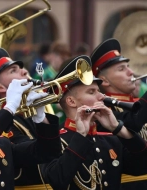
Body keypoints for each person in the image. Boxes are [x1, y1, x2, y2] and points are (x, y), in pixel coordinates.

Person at [44, 55, 147, 189]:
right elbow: (56, 180)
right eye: (92, 92)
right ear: (71, 101)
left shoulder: (111, 140)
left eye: (98, 91)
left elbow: (143, 165)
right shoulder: (52, 142)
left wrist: (118, 128)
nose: (101, 96)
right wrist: (81, 136)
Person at [0, 47, 58, 188]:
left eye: (21, 68)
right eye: (13, 70)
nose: (24, 71)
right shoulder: (1, 122)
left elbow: (52, 152)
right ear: (0, 87)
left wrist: (41, 117)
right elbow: (35, 154)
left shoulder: (29, 113)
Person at [90, 38, 147, 188]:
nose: (131, 72)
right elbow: (132, 122)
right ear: (105, 80)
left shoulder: (138, 103)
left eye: (128, 67)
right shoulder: (102, 111)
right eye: (122, 69)